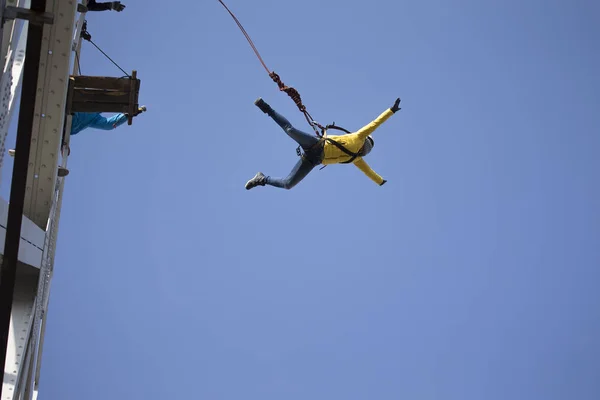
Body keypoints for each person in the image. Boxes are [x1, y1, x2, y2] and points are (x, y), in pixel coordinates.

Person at [245, 97, 401, 190]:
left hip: (313, 160)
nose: (366, 150)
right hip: (315, 145)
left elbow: (369, 172)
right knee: (290, 130)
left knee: (288, 184)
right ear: (366, 142)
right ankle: (268, 109)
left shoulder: (357, 159)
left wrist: (380, 181)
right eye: (367, 147)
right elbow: (375, 123)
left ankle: (262, 179)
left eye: (368, 150)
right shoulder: (359, 137)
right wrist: (391, 111)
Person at [8, 107, 145, 177]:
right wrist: (128, 115)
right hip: (62, 119)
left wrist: (127, 115)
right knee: (48, 136)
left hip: (63, 127)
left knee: (50, 138)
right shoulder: (89, 111)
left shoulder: (93, 117)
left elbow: (109, 124)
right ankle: (26, 151)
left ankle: (29, 152)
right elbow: (109, 124)